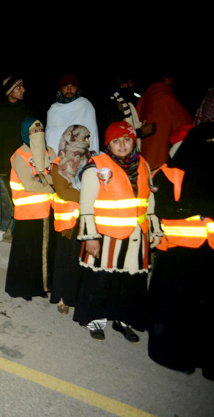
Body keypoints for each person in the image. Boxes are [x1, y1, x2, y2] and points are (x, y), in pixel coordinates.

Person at [148, 122, 214, 381]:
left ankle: (213, 362)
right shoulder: (170, 173)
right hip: (181, 254)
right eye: (212, 141)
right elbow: (166, 209)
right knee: (179, 309)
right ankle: (178, 357)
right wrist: (212, 207)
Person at [74, 121, 162, 342]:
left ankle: (124, 320)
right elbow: (86, 205)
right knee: (101, 280)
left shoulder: (143, 164)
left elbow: (148, 199)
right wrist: (91, 237)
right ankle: (96, 319)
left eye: (126, 139)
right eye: (115, 141)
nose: (122, 145)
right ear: (108, 144)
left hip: (136, 235)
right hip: (106, 237)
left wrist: (152, 229)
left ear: (134, 140)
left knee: (130, 282)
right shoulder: (96, 166)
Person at [4, 118, 57, 301]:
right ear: (25, 133)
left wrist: (41, 180)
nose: (38, 134)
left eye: (40, 130)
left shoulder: (49, 151)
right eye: (33, 131)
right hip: (27, 212)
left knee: (43, 251)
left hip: (48, 210)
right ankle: (23, 288)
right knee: (26, 252)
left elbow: (57, 175)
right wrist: (49, 183)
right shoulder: (19, 155)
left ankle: (41, 286)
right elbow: (27, 184)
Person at [49, 125, 94, 315]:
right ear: (72, 138)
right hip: (68, 221)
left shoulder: (89, 161)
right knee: (66, 260)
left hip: (84, 219)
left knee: (80, 260)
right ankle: (62, 297)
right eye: (83, 138)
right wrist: (88, 196)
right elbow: (64, 191)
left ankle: (74, 295)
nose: (87, 141)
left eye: (88, 138)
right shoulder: (59, 163)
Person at [0, 76, 33, 242]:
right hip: (3, 162)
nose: (23, 90)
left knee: (25, 195)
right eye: (19, 87)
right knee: (5, 197)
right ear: (9, 91)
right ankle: (2, 227)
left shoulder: (26, 109)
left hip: (24, 161)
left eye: (23, 87)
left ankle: (21, 227)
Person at [135, 73, 192, 170]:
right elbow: (186, 124)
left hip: (142, 155)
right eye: (171, 78)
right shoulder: (166, 97)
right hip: (161, 156)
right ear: (164, 78)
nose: (173, 81)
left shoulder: (145, 96)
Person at [45, 74, 99, 154]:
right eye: (66, 87)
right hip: (58, 158)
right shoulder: (53, 110)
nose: (69, 90)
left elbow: (92, 135)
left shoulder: (86, 106)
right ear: (61, 89)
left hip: (81, 156)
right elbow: (51, 137)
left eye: (72, 87)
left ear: (77, 89)